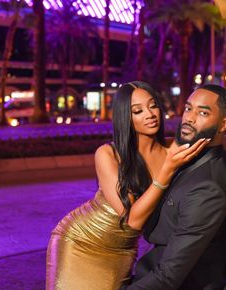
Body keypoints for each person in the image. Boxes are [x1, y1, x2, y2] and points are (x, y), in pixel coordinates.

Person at [46, 81, 209, 290]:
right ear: (126, 117)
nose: (149, 114)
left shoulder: (173, 149)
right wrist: (167, 170)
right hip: (82, 241)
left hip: (123, 249)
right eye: (138, 111)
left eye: (153, 106)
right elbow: (133, 220)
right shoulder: (108, 154)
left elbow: (209, 137)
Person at [123, 84, 226, 290]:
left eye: (203, 112)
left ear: (223, 125)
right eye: (188, 108)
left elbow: (169, 276)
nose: (189, 118)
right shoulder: (186, 159)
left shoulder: (207, 188)